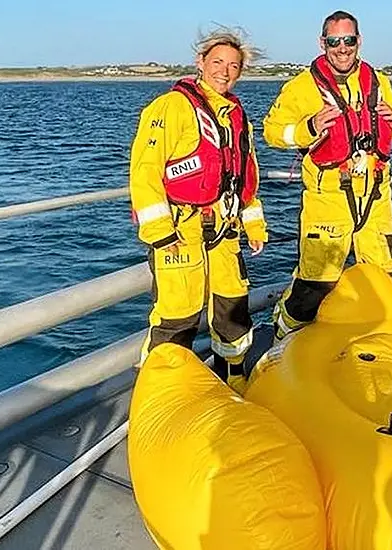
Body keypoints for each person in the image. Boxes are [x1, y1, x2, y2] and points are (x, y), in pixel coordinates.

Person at [128, 27, 267, 393]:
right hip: (180, 232)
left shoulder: (237, 116)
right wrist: (160, 233)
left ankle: (232, 379)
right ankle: (161, 392)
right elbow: (145, 172)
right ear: (200, 63)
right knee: (178, 317)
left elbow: (244, 177)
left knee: (232, 311)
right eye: (217, 62)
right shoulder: (171, 108)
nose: (224, 71)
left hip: (224, 232)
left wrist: (255, 225)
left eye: (233, 66)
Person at [262, 10, 392, 341]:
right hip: (328, 203)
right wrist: (308, 128)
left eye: (349, 40)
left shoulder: (378, 81)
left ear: (359, 41)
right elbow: (271, 132)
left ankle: (387, 347)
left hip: (376, 202)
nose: (342, 48)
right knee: (315, 285)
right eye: (334, 41)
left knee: (389, 280)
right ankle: (281, 337)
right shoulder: (300, 88)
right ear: (322, 42)